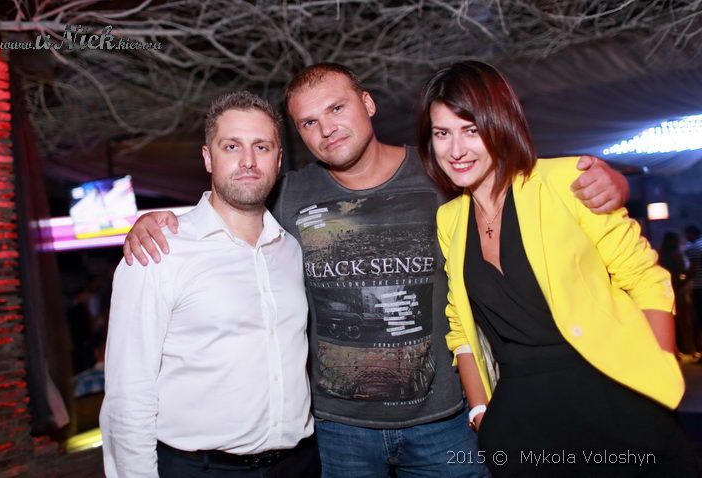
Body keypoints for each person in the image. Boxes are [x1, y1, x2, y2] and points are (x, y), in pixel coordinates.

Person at [122, 64, 629, 478]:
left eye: (336, 108)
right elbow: (235, 199)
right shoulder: (289, 194)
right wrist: (160, 221)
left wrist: (610, 182)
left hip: (444, 422)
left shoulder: (439, 173)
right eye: (308, 123)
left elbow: (513, 186)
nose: (326, 129)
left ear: (367, 103)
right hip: (337, 433)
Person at [421, 61, 698, 477]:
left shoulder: (566, 180)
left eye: (471, 130)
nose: (456, 150)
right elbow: (461, 326)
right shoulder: (450, 219)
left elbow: (645, 278)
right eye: (442, 133)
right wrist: (480, 410)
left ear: (500, 124)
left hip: (615, 399)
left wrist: (656, 375)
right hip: (521, 423)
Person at [100, 91, 320, 478]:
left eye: (262, 147)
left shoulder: (291, 248)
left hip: (299, 464)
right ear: (208, 157)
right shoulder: (160, 252)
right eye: (232, 146)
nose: (248, 160)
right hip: (200, 468)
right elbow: (128, 394)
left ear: (278, 160)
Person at [659, 232, 695, 355]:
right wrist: (684, 279)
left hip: (666, 290)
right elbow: (683, 272)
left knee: (672, 321)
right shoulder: (677, 255)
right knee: (685, 320)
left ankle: (676, 348)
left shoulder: (662, 255)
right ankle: (688, 346)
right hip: (679, 290)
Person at [685, 225, 702, 355]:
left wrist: (682, 281)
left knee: (699, 319)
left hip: (699, 287)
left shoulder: (694, 248)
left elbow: (693, 269)